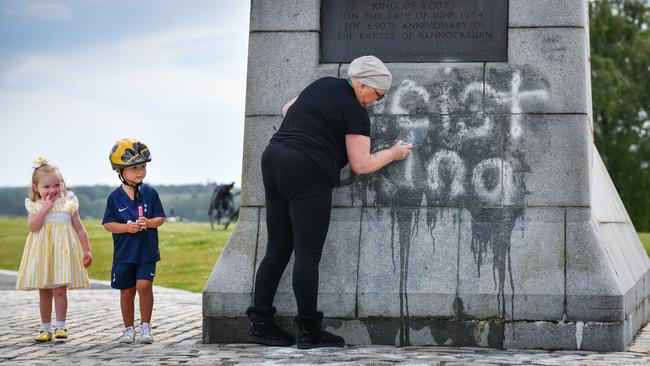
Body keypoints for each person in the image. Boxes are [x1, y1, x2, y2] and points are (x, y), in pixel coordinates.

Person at [247, 55, 413, 349]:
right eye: (377, 94)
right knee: (307, 256)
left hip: (273, 160)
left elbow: (288, 108)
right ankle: (309, 332)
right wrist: (393, 154)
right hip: (307, 169)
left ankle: (261, 324)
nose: (377, 101)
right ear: (362, 84)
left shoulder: (323, 84)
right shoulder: (355, 111)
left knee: (277, 248)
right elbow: (361, 164)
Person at [16, 157, 92, 342]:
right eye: (47, 187)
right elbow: (33, 227)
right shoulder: (35, 205)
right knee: (44, 291)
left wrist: (87, 250)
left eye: (56, 185)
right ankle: (44, 328)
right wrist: (44, 209)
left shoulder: (68, 205)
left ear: (62, 184)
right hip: (43, 255)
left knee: (60, 290)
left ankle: (60, 326)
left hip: (61, 254)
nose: (52, 190)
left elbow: (80, 228)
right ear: (36, 188)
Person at [102, 138, 166, 344]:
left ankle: (146, 327)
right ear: (120, 170)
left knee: (144, 285)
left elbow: (160, 218)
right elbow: (108, 224)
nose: (140, 172)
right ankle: (128, 329)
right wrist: (126, 228)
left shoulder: (150, 193)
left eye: (143, 167)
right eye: (134, 168)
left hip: (146, 252)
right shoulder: (114, 198)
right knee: (127, 291)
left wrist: (149, 222)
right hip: (124, 255)